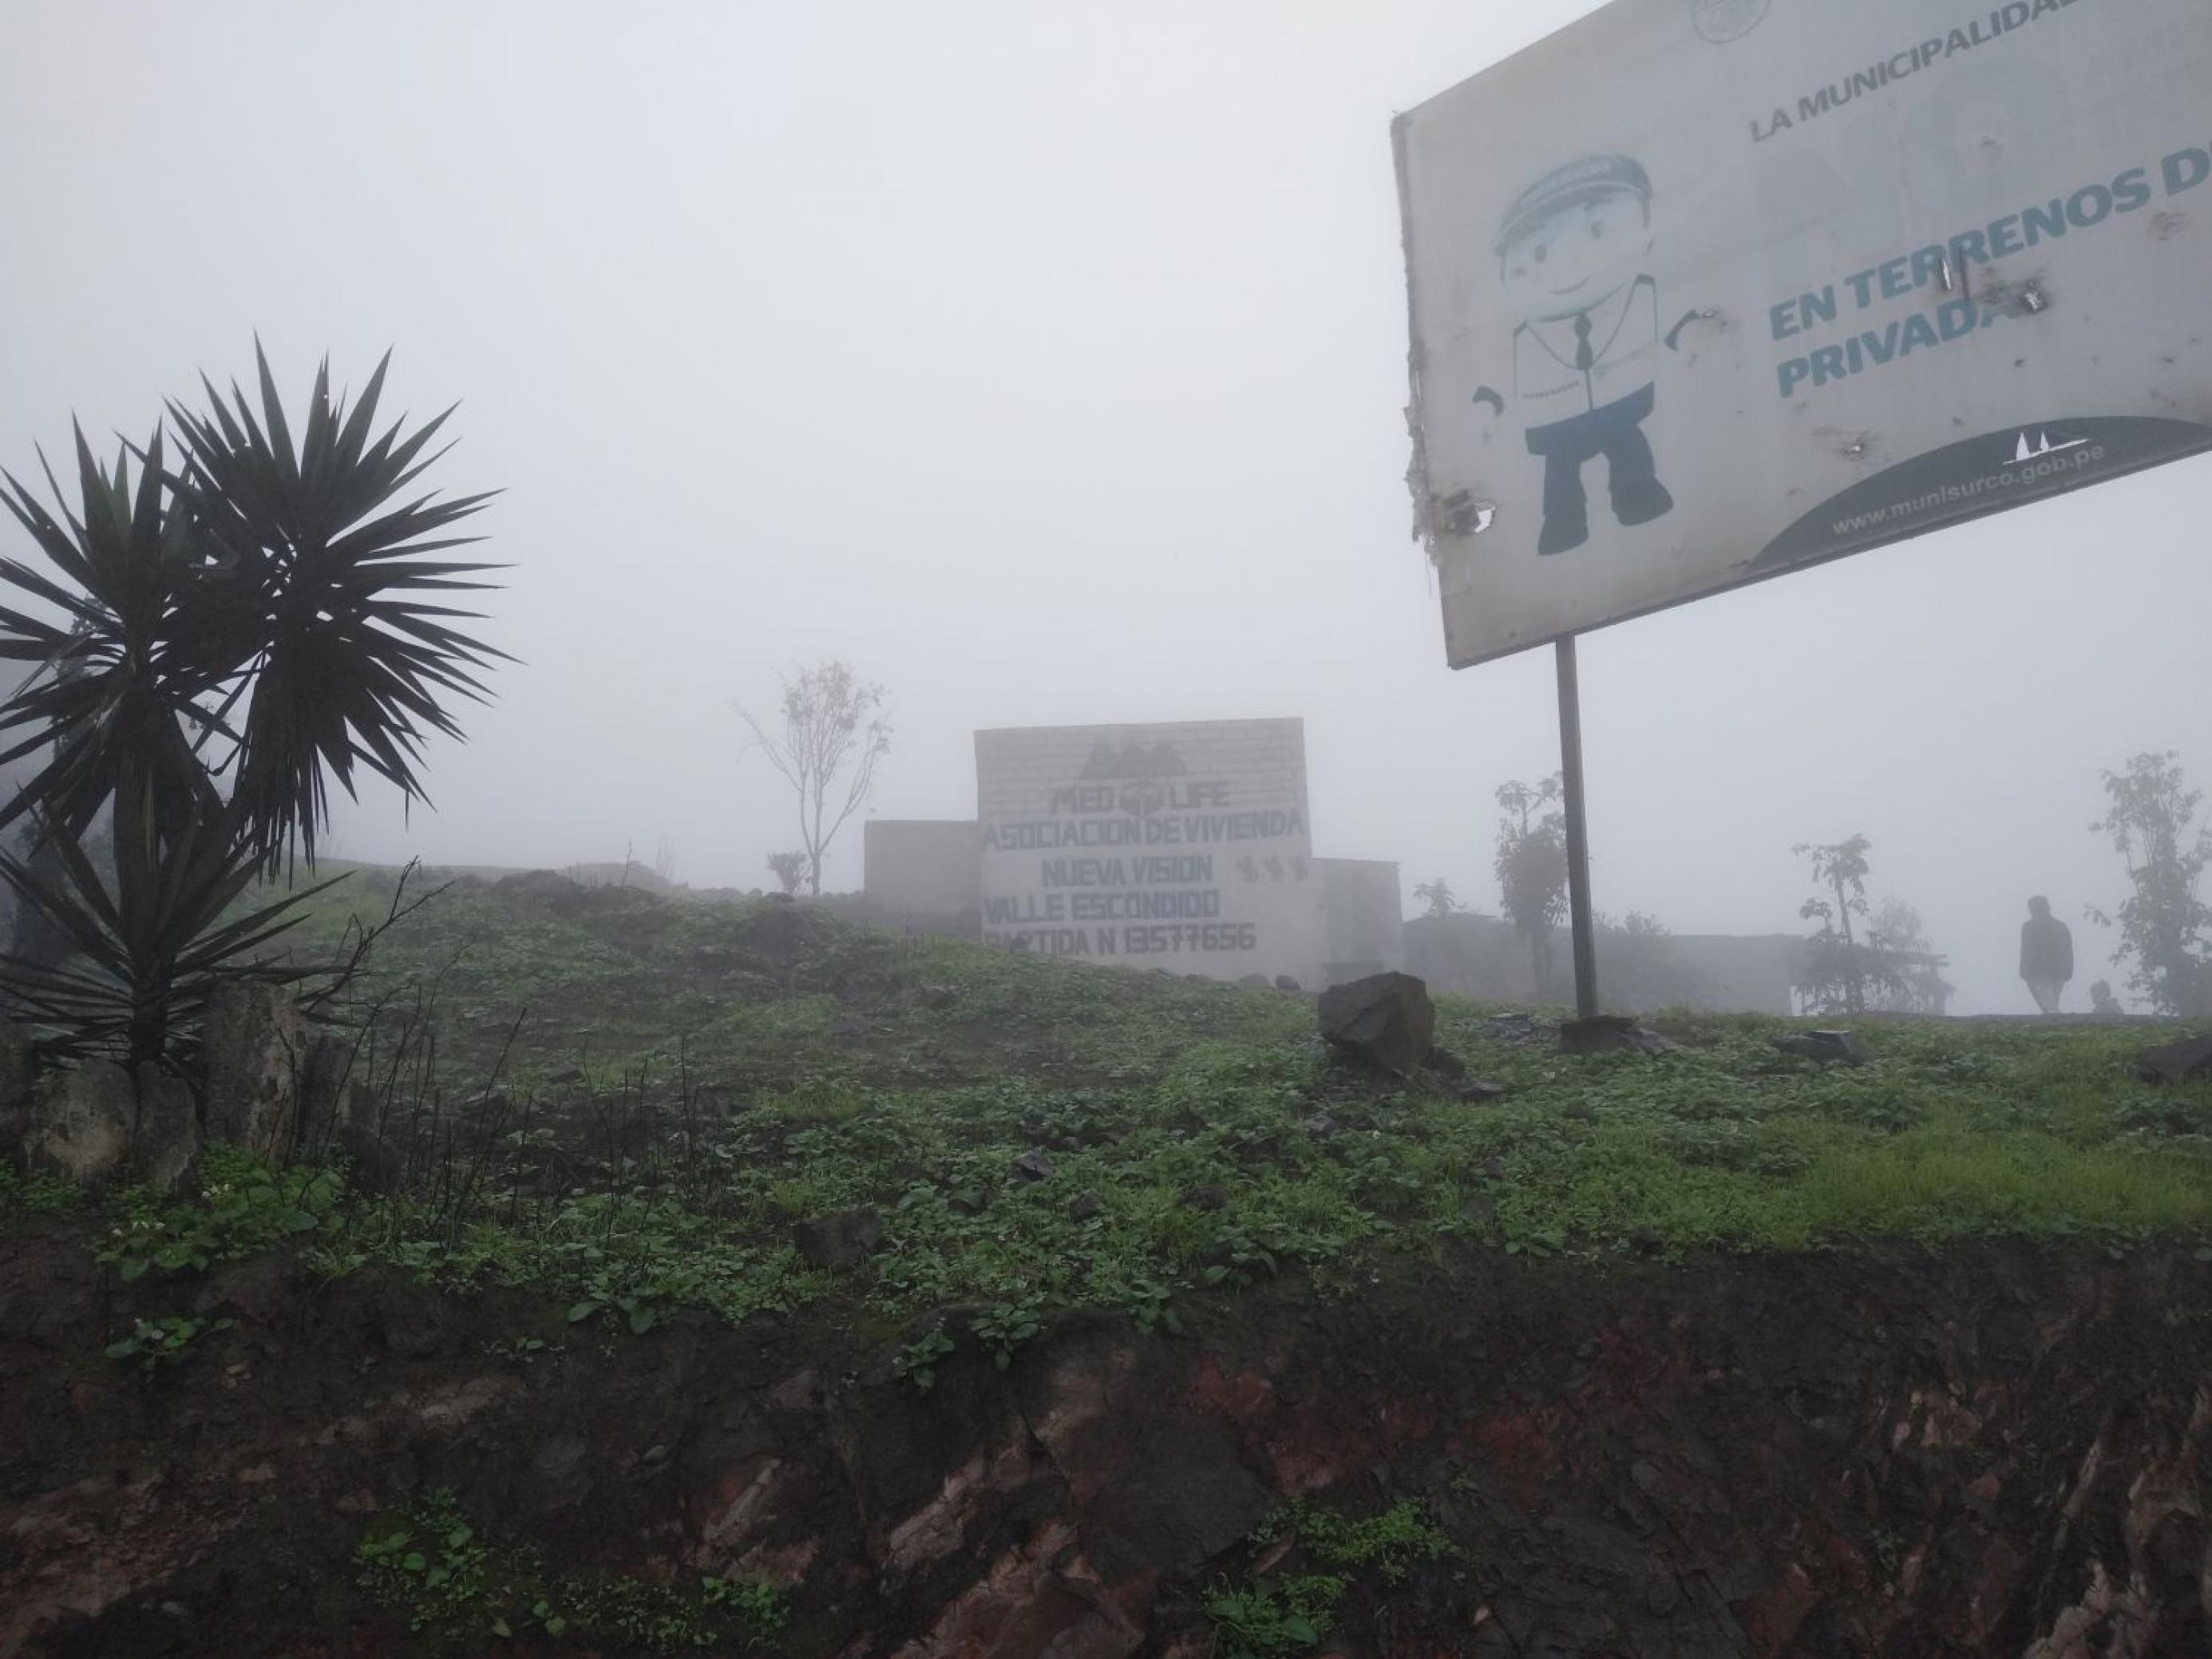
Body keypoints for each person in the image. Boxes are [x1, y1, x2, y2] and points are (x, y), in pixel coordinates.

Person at [1471, 154, 1699, 556]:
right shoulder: (1524, 336)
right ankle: (1563, 522)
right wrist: (1486, 408)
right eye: (1539, 254)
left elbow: (1675, 322)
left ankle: (1637, 496)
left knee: (1629, 449)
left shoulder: (1640, 294)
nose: (1565, 262)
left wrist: (1693, 336)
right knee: (1561, 473)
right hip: (1556, 415)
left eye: (1596, 229)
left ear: (1645, 229)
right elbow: (1497, 380)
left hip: (1619, 400)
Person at [2019, 897, 2074, 1015]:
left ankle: (2057, 1023)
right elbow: (2068, 951)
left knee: (2049, 1006)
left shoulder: (2029, 927)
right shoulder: (2061, 926)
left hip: (2038, 973)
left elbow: (2026, 951)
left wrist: (2024, 972)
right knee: (2050, 1002)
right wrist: (2068, 971)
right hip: (2058, 972)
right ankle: (2053, 1023)